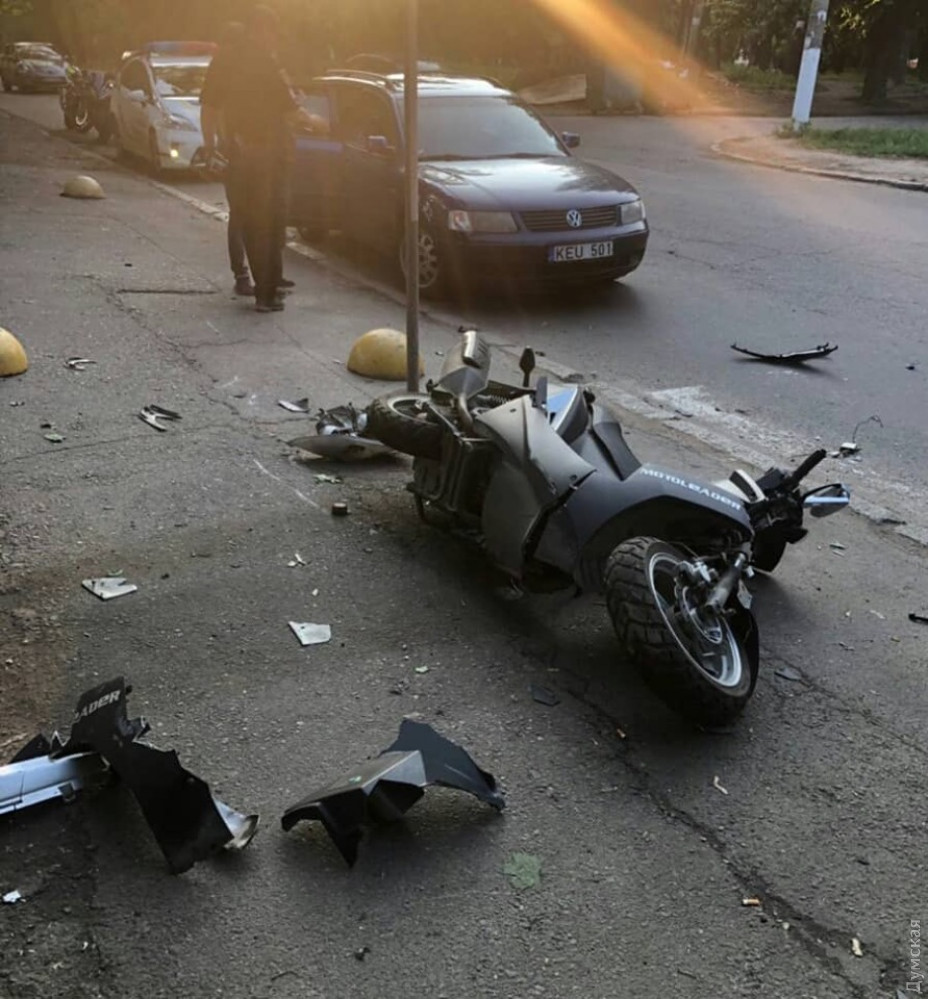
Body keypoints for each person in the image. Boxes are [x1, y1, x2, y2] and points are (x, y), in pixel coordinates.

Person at [201, 5, 318, 312]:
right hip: (263, 152)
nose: (274, 39)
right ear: (261, 30)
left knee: (255, 220)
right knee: (263, 222)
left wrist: (211, 146)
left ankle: (267, 285)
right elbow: (290, 110)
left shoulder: (225, 60)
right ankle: (265, 291)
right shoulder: (263, 61)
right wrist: (318, 123)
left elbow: (209, 107)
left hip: (241, 151)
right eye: (272, 32)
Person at [201, 22, 252, 297]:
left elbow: (207, 111)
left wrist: (210, 147)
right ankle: (248, 274)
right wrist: (212, 145)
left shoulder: (222, 68)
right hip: (238, 148)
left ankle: (243, 274)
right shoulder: (231, 68)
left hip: (234, 148)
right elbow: (210, 109)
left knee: (240, 213)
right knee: (245, 212)